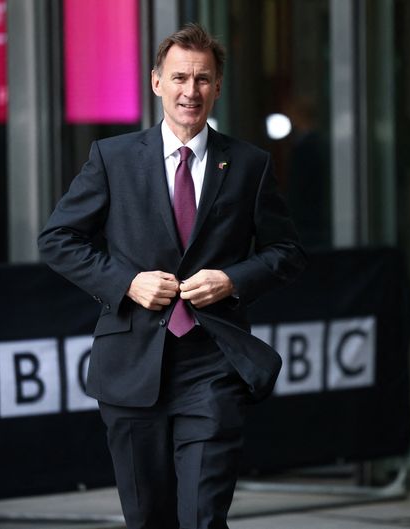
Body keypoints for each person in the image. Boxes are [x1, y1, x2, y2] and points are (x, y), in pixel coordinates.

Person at [38, 23, 306, 529]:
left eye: (203, 79)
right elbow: (58, 239)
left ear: (219, 86)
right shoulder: (112, 159)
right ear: (156, 82)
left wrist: (231, 280)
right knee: (148, 519)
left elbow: (287, 252)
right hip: (131, 366)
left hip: (212, 364)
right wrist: (126, 282)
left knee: (203, 517)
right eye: (180, 77)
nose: (191, 91)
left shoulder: (249, 165)